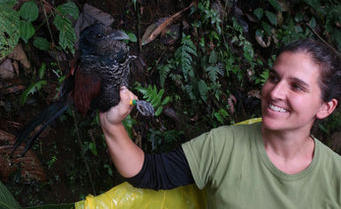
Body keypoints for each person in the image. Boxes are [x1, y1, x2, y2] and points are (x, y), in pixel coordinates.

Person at [99, 38, 341, 208]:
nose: (275, 92)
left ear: (325, 107)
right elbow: (150, 173)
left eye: (296, 86)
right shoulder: (224, 145)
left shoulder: (336, 176)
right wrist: (112, 125)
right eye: (274, 77)